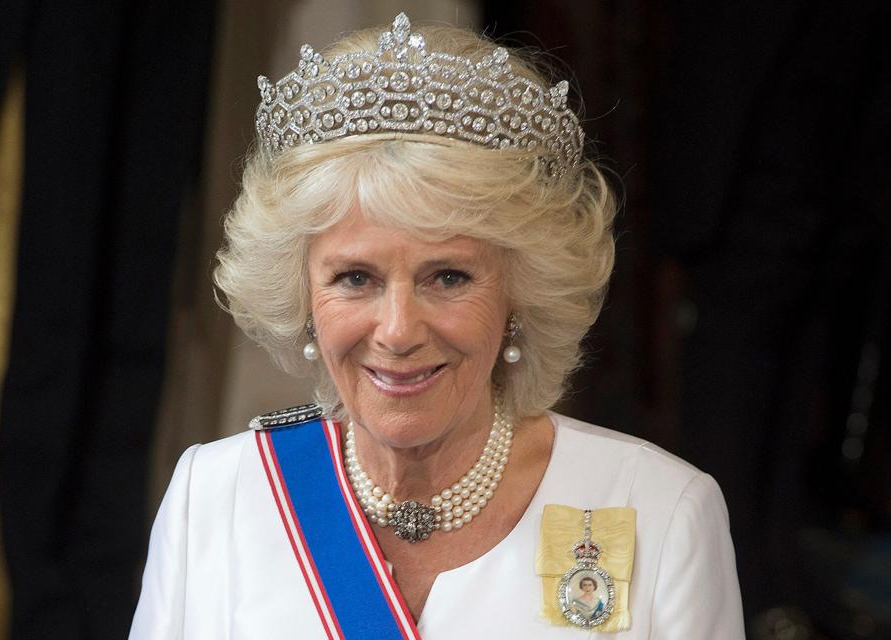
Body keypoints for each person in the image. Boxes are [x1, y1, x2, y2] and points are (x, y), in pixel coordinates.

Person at [130, 13, 744, 639]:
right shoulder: (214, 497)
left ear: (519, 295)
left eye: (448, 277)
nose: (398, 331)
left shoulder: (658, 512)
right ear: (303, 296)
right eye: (355, 278)